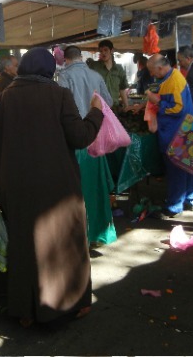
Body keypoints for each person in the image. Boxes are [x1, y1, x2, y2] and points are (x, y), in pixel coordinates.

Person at [0, 47, 103, 327]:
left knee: (24, 246)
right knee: (65, 242)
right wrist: (96, 113)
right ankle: (75, 303)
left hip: (15, 186)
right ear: (48, 70)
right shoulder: (59, 95)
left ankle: (26, 311)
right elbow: (80, 137)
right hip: (57, 184)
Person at [58, 45, 115, 246]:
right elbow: (109, 102)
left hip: (75, 141)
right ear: (81, 57)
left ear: (66, 59)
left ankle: (80, 236)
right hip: (95, 138)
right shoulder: (96, 76)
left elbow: (62, 109)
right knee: (96, 188)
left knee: (78, 190)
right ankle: (100, 234)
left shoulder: (64, 77)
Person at [146, 54, 193, 219]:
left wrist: (157, 102)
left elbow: (178, 108)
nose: (152, 75)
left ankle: (174, 206)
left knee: (176, 168)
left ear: (160, 68)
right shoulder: (171, 77)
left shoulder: (174, 80)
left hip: (177, 131)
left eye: (152, 71)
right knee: (186, 166)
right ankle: (190, 199)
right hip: (184, 128)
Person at [88, 40, 129, 109]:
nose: (103, 53)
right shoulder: (94, 67)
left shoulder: (119, 69)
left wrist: (126, 105)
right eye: (101, 51)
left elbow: (122, 89)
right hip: (98, 109)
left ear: (112, 50)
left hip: (114, 108)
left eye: (106, 50)